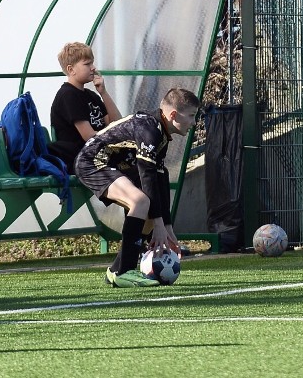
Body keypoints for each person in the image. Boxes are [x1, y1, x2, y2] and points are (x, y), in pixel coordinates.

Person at [75, 87, 200, 288]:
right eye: (192, 116)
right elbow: (147, 175)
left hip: (113, 166)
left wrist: (166, 227)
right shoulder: (150, 130)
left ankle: (115, 271)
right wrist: (159, 225)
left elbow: (160, 177)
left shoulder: (160, 131)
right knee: (141, 201)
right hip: (92, 163)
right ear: (173, 115)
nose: (194, 122)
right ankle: (125, 271)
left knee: (149, 212)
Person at [48, 42, 122, 172]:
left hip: (99, 152)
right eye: (87, 64)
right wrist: (117, 139)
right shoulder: (68, 95)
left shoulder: (91, 95)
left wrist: (103, 92)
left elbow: (116, 123)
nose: (93, 68)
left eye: (92, 63)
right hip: (82, 157)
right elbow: (88, 136)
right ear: (71, 70)